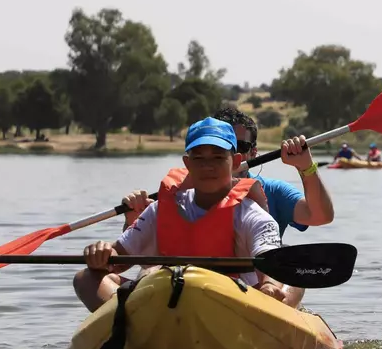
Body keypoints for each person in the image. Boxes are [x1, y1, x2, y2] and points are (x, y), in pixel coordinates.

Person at [73, 118, 292, 313]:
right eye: (199, 158)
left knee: (288, 277)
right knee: (86, 278)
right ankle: (130, 324)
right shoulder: (159, 210)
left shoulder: (252, 216)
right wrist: (102, 253)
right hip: (168, 304)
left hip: (232, 306)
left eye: (217, 157)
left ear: (235, 162)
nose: (207, 166)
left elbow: (270, 261)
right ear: (187, 163)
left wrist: (269, 285)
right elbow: (118, 258)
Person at [212, 107, 334, 236]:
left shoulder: (273, 191)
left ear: (253, 153)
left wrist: (306, 167)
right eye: (221, 146)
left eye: (240, 146)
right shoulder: (195, 192)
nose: (231, 155)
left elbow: (321, 217)